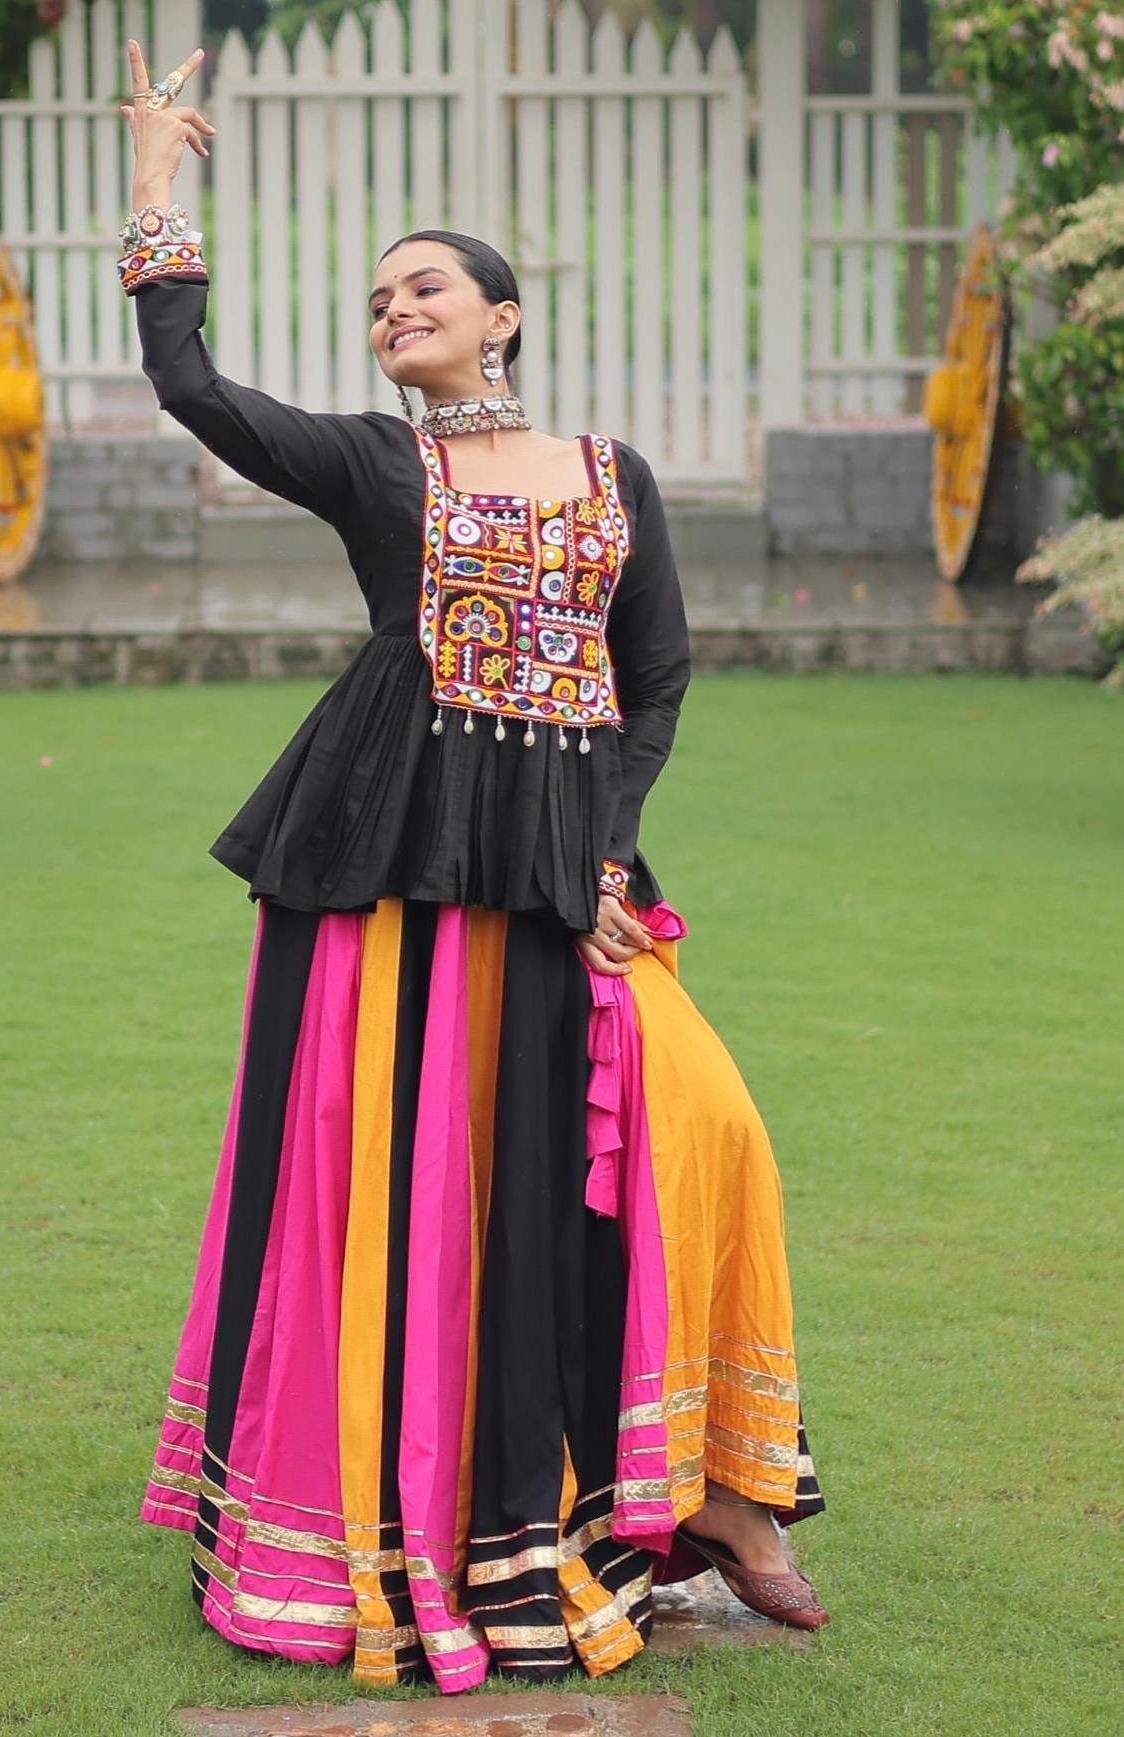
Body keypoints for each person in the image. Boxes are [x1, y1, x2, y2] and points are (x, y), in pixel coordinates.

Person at [119, 40, 827, 1694]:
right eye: (376, 299)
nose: (394, 310)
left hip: (553, 876)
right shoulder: (379, 464)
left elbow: (647, 681)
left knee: (691, 1124)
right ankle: (413, 1514)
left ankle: (710, 1492)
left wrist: (604, 839)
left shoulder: (610, 478)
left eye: (424, 285)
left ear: (502, 314)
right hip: (377, 872)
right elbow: (196, 392)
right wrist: (160, 195)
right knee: (397, 1189)